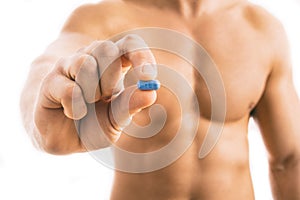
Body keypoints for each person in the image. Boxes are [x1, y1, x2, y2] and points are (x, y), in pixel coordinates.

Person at [20, 0, 300, 199]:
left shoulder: (262, 30)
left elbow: (290, 160)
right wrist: (42, 112)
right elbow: (50, 63)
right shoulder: (102, 19)